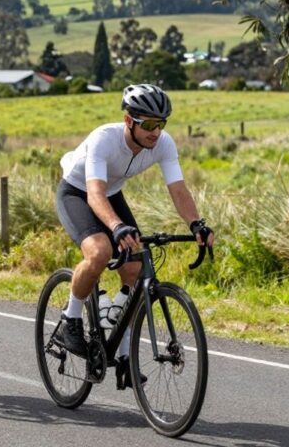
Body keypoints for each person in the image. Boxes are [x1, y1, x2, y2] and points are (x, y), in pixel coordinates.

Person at [53, 84, 215, 389]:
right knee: (100, 251)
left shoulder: (164, 144)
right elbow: (95, 193)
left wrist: (197, 224)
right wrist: (116, 228)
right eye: (149, 125)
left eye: (161, 124)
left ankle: (125, 355)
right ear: (130, 121)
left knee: (136, 265)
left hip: (111, 194)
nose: (156, 132)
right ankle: (70, 319)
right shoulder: (105, 138)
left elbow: (178, 190)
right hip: (77, 192)